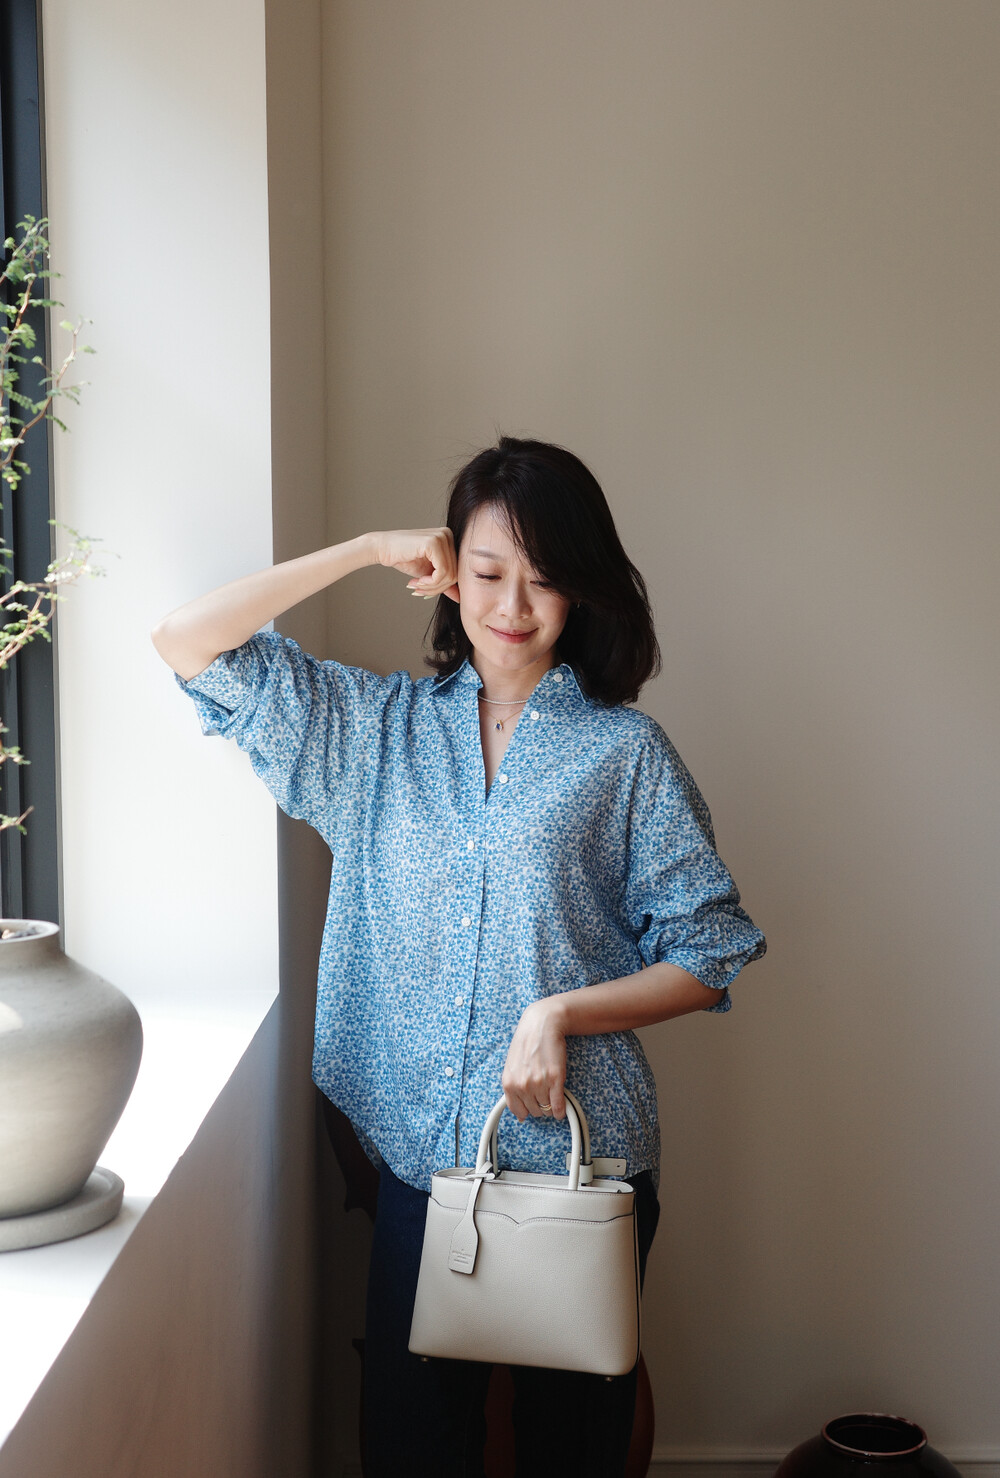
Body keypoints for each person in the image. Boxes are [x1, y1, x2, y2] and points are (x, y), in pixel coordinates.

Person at [152, 436, 765, 1478]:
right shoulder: (371, 733)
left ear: (582, 591)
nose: (512, 604)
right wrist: (363, 548)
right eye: (487, 572)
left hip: (584, 1169)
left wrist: (560, 1012)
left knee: (572, 1455)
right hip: (422, 1167)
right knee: (412, 1450)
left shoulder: (624, 754)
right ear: (447, 577)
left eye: (544, 578)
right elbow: (183, 640)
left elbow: (710, 951)